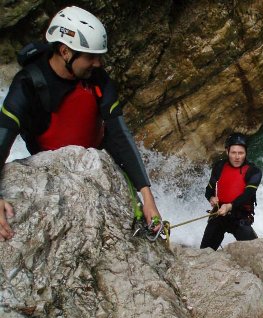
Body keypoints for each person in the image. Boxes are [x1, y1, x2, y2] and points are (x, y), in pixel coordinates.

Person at [0, 6, 162, 241]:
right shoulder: (28, 84)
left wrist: (148, 197)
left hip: (98, 159)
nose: (99, 63)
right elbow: (3, 135)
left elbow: (119, 133)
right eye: (91, 57)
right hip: (50, 167)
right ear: (65, 52)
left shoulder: (97, 79)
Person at [200, 133, 262, 250]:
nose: (237, 157)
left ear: (246, 153)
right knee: (204, 252)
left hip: (240, 217)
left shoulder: (253, 171)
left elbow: (248, 194)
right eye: (233, 153)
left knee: (255, 251)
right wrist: (211, 198)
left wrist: (230, 206)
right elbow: (209, 189)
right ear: (227, 151)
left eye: (241, 153)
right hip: (219, 214)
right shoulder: (219, 166)